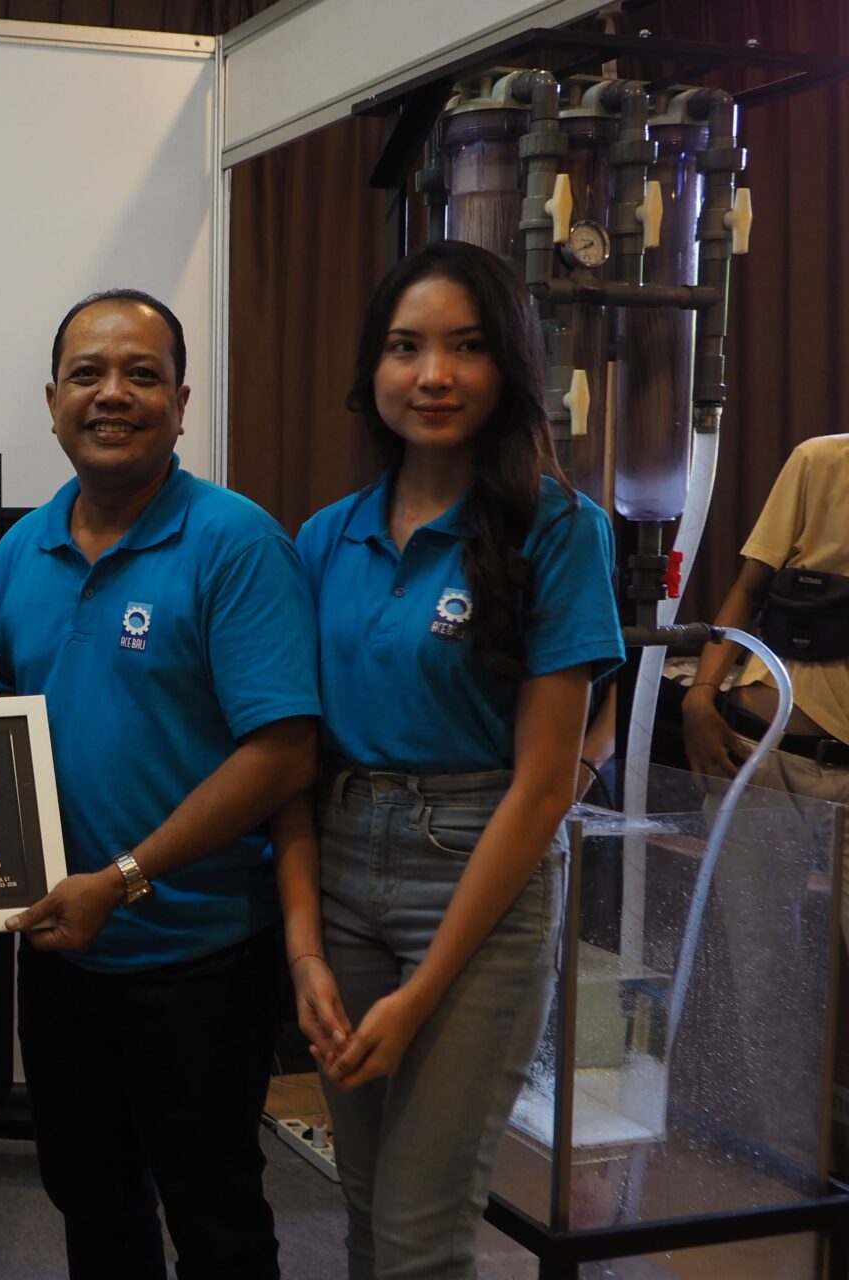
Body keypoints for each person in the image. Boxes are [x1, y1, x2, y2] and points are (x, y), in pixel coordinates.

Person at [279, 240, 623, 1280]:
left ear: (508, 364)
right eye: (406, 347)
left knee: (421, 1239)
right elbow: (291, 759)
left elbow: (546, 784)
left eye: (467, 347)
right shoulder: (324, 539)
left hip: (480, 873)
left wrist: (423, 990)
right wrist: (304, 950)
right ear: (372, 370)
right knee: (365, 1209)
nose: (433, 375)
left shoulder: (559, 529)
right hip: (341, 866)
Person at [0, 289, 322, 1280]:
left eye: (142, 374)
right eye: (87, 374)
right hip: (62, 951)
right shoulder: (20, 550)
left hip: (198, 956)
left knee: (215, 1218)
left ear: (180, 402)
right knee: (92, 1205)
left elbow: (282, 753)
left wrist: (124, 877)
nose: (112, 394)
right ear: (53, 401)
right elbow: (10, 715)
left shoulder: (236, 542)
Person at [682, 433, 849, 925]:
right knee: (759, 964)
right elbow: (748, 589)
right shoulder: (820, 460)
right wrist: (700, 696)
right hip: (765, 753)